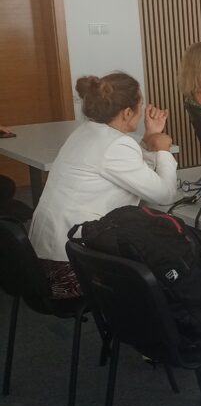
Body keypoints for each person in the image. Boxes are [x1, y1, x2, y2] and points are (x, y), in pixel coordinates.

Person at [29, 73, 178, 298]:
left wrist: (150, 138)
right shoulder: (116, 144)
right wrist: (164, 150)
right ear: (127, 112)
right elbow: (165, 195)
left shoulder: (86, 131)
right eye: (140, 105)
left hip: (43, 257)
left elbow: (130, 170)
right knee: (166, 269)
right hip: (70, 268)